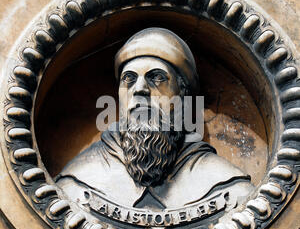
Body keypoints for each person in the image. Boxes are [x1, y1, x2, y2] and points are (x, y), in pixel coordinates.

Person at [55, 28, 254, 213]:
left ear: (181, 93)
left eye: (156, 78)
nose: (140, 89)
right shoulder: (80, 179)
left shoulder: (224, 184)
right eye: (129, 79)